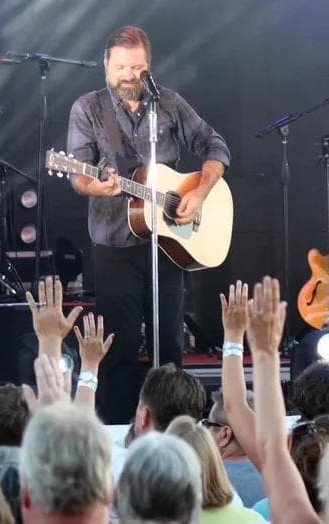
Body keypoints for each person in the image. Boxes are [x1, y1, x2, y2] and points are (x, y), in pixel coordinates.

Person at [67, 25, 230, 424]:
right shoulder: (88, 109)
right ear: (106, 65)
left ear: (149, 67)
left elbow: (216, 145)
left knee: (169, 342)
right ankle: (122, 427)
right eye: (120, 66)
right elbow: (78, 175)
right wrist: (99, 188)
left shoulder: (169, 103)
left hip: (168, 244)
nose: (128, 75)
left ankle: (173, 423)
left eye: (137, 67)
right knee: (118, 344)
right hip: (114, 243)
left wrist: (200, 191)